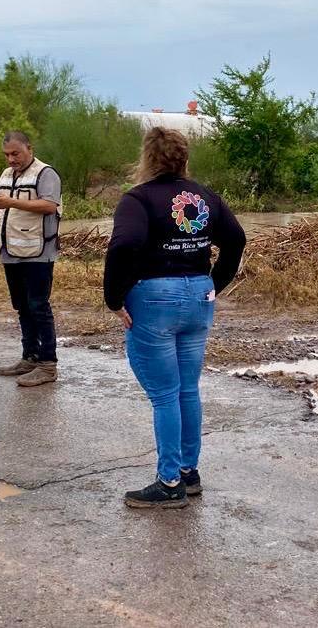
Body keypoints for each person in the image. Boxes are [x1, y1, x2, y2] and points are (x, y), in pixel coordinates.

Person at [103, 127, 246, 509]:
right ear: (184, 158)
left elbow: (124, 246)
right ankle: (188, 472)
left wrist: (113, 299)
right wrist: (214, 284)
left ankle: (169, 484)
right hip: (198, 296)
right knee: (186, 389)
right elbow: (236, 240)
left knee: (165, 395)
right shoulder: (204, 196)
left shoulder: (138, 199)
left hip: (155, 299)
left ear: (147, 159)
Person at [0, 130, 62, 387]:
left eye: (15, 153)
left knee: (39, 306)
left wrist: (11, 203)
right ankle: (29, 357)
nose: (10, 159)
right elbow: (5, 204)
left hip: (38, 252)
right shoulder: (6, 174)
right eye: (7, 155)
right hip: (10, 251)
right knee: (22, 307)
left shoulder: (45, 173)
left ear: (29, 148)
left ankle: (48, 364)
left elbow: (50, 206)